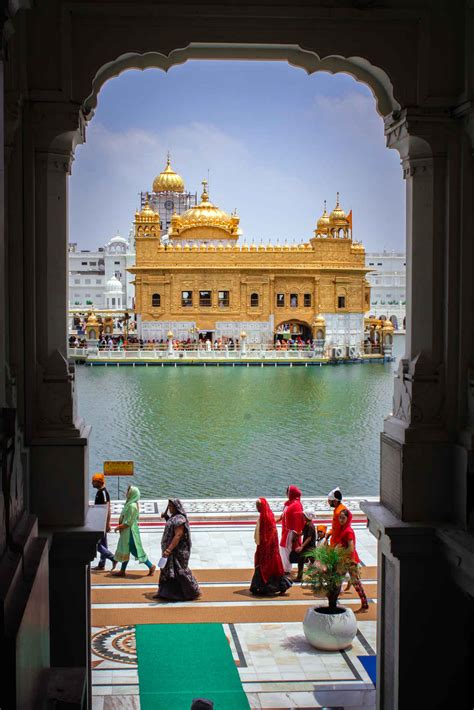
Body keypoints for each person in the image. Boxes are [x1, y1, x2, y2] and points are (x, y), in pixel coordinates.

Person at [155, 499, 200, 601]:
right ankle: (164, 593)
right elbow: (171, 526)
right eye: (169, 506)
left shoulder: (180, 520)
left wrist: (169, 550)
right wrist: (167, 517)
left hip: (177, 552)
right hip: (171, 551)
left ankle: (191, 591)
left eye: (171, 506)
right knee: (167, 571)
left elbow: (178, 535)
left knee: (179, 572)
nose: (170, 508)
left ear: (176, 507)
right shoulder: (174, 517)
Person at [250, 498, 292, 596]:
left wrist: (266, 545)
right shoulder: (264, 516)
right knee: (262, 567)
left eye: (258, 506)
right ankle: (258, 587)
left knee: (270, 568)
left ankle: (278, 586)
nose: (257, 508)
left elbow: (272, 533)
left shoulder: (267, 517)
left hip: (269, 550)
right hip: (263, 548)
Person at [113, 485, 155, 577]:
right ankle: (122, 571)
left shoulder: (132, 506)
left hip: (130, 532)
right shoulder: (130, 503)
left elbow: (128, 522)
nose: (126, 493)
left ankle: (151, 566)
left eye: (128, 491)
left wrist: (118, 527)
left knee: (135, 550)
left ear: (132, 494)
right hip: (127, 532)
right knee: (126, 549)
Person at [337, 508, 369, 614]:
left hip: (350, 561)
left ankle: (364, 605)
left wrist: (341, 554)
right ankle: (333, 603)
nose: (341, 520)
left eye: (343, 518)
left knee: (356, 583)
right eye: (340, 517)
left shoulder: (348, 531)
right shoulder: (343, 529)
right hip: (345, 560)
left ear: (348, 518)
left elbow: (351, 548)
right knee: (337, 580)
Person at [91, 473, 117, 571]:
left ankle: (112, 558)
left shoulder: (103, 493)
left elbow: (107, 508)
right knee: (103, 543)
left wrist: (107, 524)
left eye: (93, 481)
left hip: (101, 523)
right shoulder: (99, 492)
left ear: (98, 482)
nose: (92, 483)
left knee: (96, 544)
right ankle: (102, 564)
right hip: (99, 522)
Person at [276, 485, 304, 574]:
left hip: (291, 532)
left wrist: (296, 533)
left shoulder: (296, 505)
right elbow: (283, 515)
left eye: (288, 492)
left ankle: (286, 569)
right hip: (286, 530)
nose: (286, 494)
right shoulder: (289, 503)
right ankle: (285, 567)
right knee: (284, 548)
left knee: (286, 548)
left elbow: (298, 520)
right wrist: (276, 521)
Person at [295, 508, 317, 582]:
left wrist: (302, 546)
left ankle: (321, 575)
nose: (303, 517)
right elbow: (303, 532)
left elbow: (309, 538)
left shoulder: (311, 526)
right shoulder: (307, 524)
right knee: (301, 561)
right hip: (306, 547)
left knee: (315, 562)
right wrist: (298, 535)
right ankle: (299, 577)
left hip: (310, 548)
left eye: (304, 515)